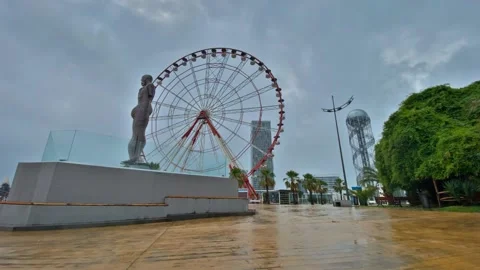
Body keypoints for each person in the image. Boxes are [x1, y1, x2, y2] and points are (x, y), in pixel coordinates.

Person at [122, 74, 156, 165]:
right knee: (135, 133)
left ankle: (135, 157)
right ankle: (133, 158)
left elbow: (149, 100)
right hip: (139, 110)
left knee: (139, 132)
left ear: (146, 79)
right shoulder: (143, 88)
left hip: (143, 111)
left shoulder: (150, 86)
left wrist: (144, 111)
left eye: (142, 79)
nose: (141, 81)